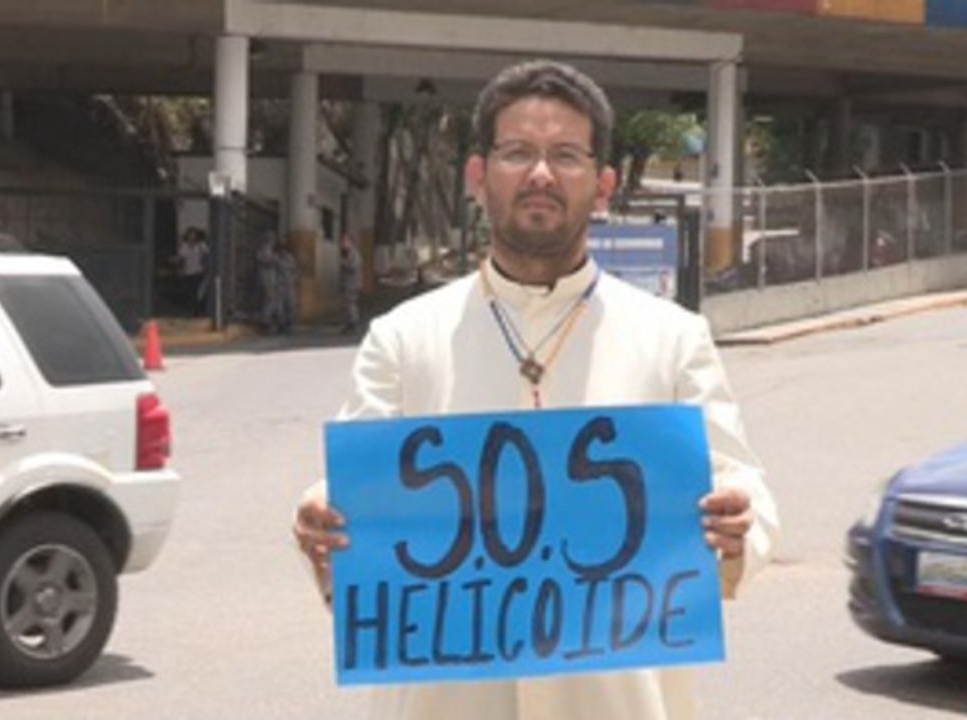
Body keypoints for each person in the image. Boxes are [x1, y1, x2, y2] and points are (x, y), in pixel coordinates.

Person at [293, 60, 778, 720]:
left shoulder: (673, 338)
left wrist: (739, 520)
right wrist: (325, 516)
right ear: (478, 177)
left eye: (566, 156)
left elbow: (739, 483)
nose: (541, 174)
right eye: (517, 152)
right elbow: (359, 502)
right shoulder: (402, 338)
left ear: (603, 185)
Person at [257, 232, 298, 334]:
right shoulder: (267, 252)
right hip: (276, 283)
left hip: (287, 284)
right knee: (275, 304)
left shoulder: (288, 257)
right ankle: (270, 324)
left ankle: (285, 324)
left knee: (288, 304)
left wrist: (293, 278)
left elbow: (295, 270)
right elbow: (268, 262)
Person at [175, 227, 210, 316]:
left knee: (198, 292)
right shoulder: (184, 246)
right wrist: (180, 270)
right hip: (188, 272)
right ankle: (193, 309)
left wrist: (205, 266)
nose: (192, 237)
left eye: (193, 235)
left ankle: (198, 310)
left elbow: (206, 256)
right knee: (190, 292)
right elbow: (181, 259)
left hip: (199, 272)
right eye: (190, 235)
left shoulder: (201, 246)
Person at [339, 232, 362, 333]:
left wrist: (344, 264)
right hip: (348, 283)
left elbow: (354, 267)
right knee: (347, 304)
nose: (343, 243)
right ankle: (349, 323)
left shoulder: (354, 254)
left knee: (350, 303)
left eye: (345, 241)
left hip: (352, 283)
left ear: (351, 243)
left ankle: (353, 323)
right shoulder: (347, 254)